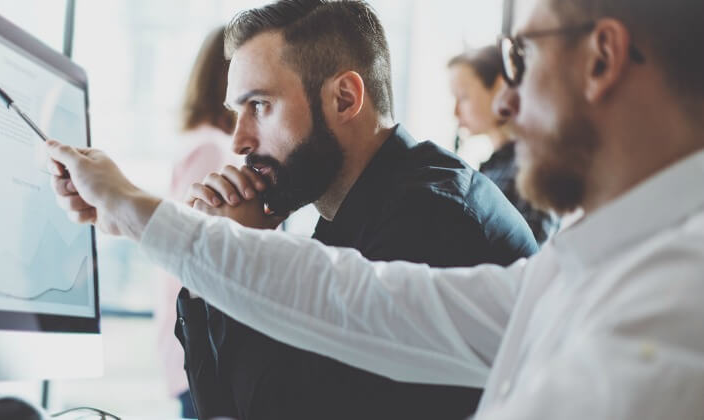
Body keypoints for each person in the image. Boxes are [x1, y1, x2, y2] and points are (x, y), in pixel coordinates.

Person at [44, 0, 704, 417]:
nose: (504, 104)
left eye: (521, 58)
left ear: (604, 57)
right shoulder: (579, 268)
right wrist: (155, 223)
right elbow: (355, 300)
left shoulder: (673, 306)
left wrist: (151, 217)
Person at [172, 1, 536, 418]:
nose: (239, 141)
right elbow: (219, 409)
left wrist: (240, 257)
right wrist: (209, 272)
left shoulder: (432, 221)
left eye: (260, 106)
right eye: (238, 112)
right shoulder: (347, 216)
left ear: (344, 99)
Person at [153, 25, 237, 419]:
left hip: (194, 344)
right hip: (206, 348)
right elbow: (195, 247)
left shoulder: (201, 142)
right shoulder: (213, 148)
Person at [448, 46, 560, 245]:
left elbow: (528, 257)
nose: (456, 112)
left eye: (463, 97)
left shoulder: (529, 169)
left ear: (500, 87)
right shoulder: (494, 167)